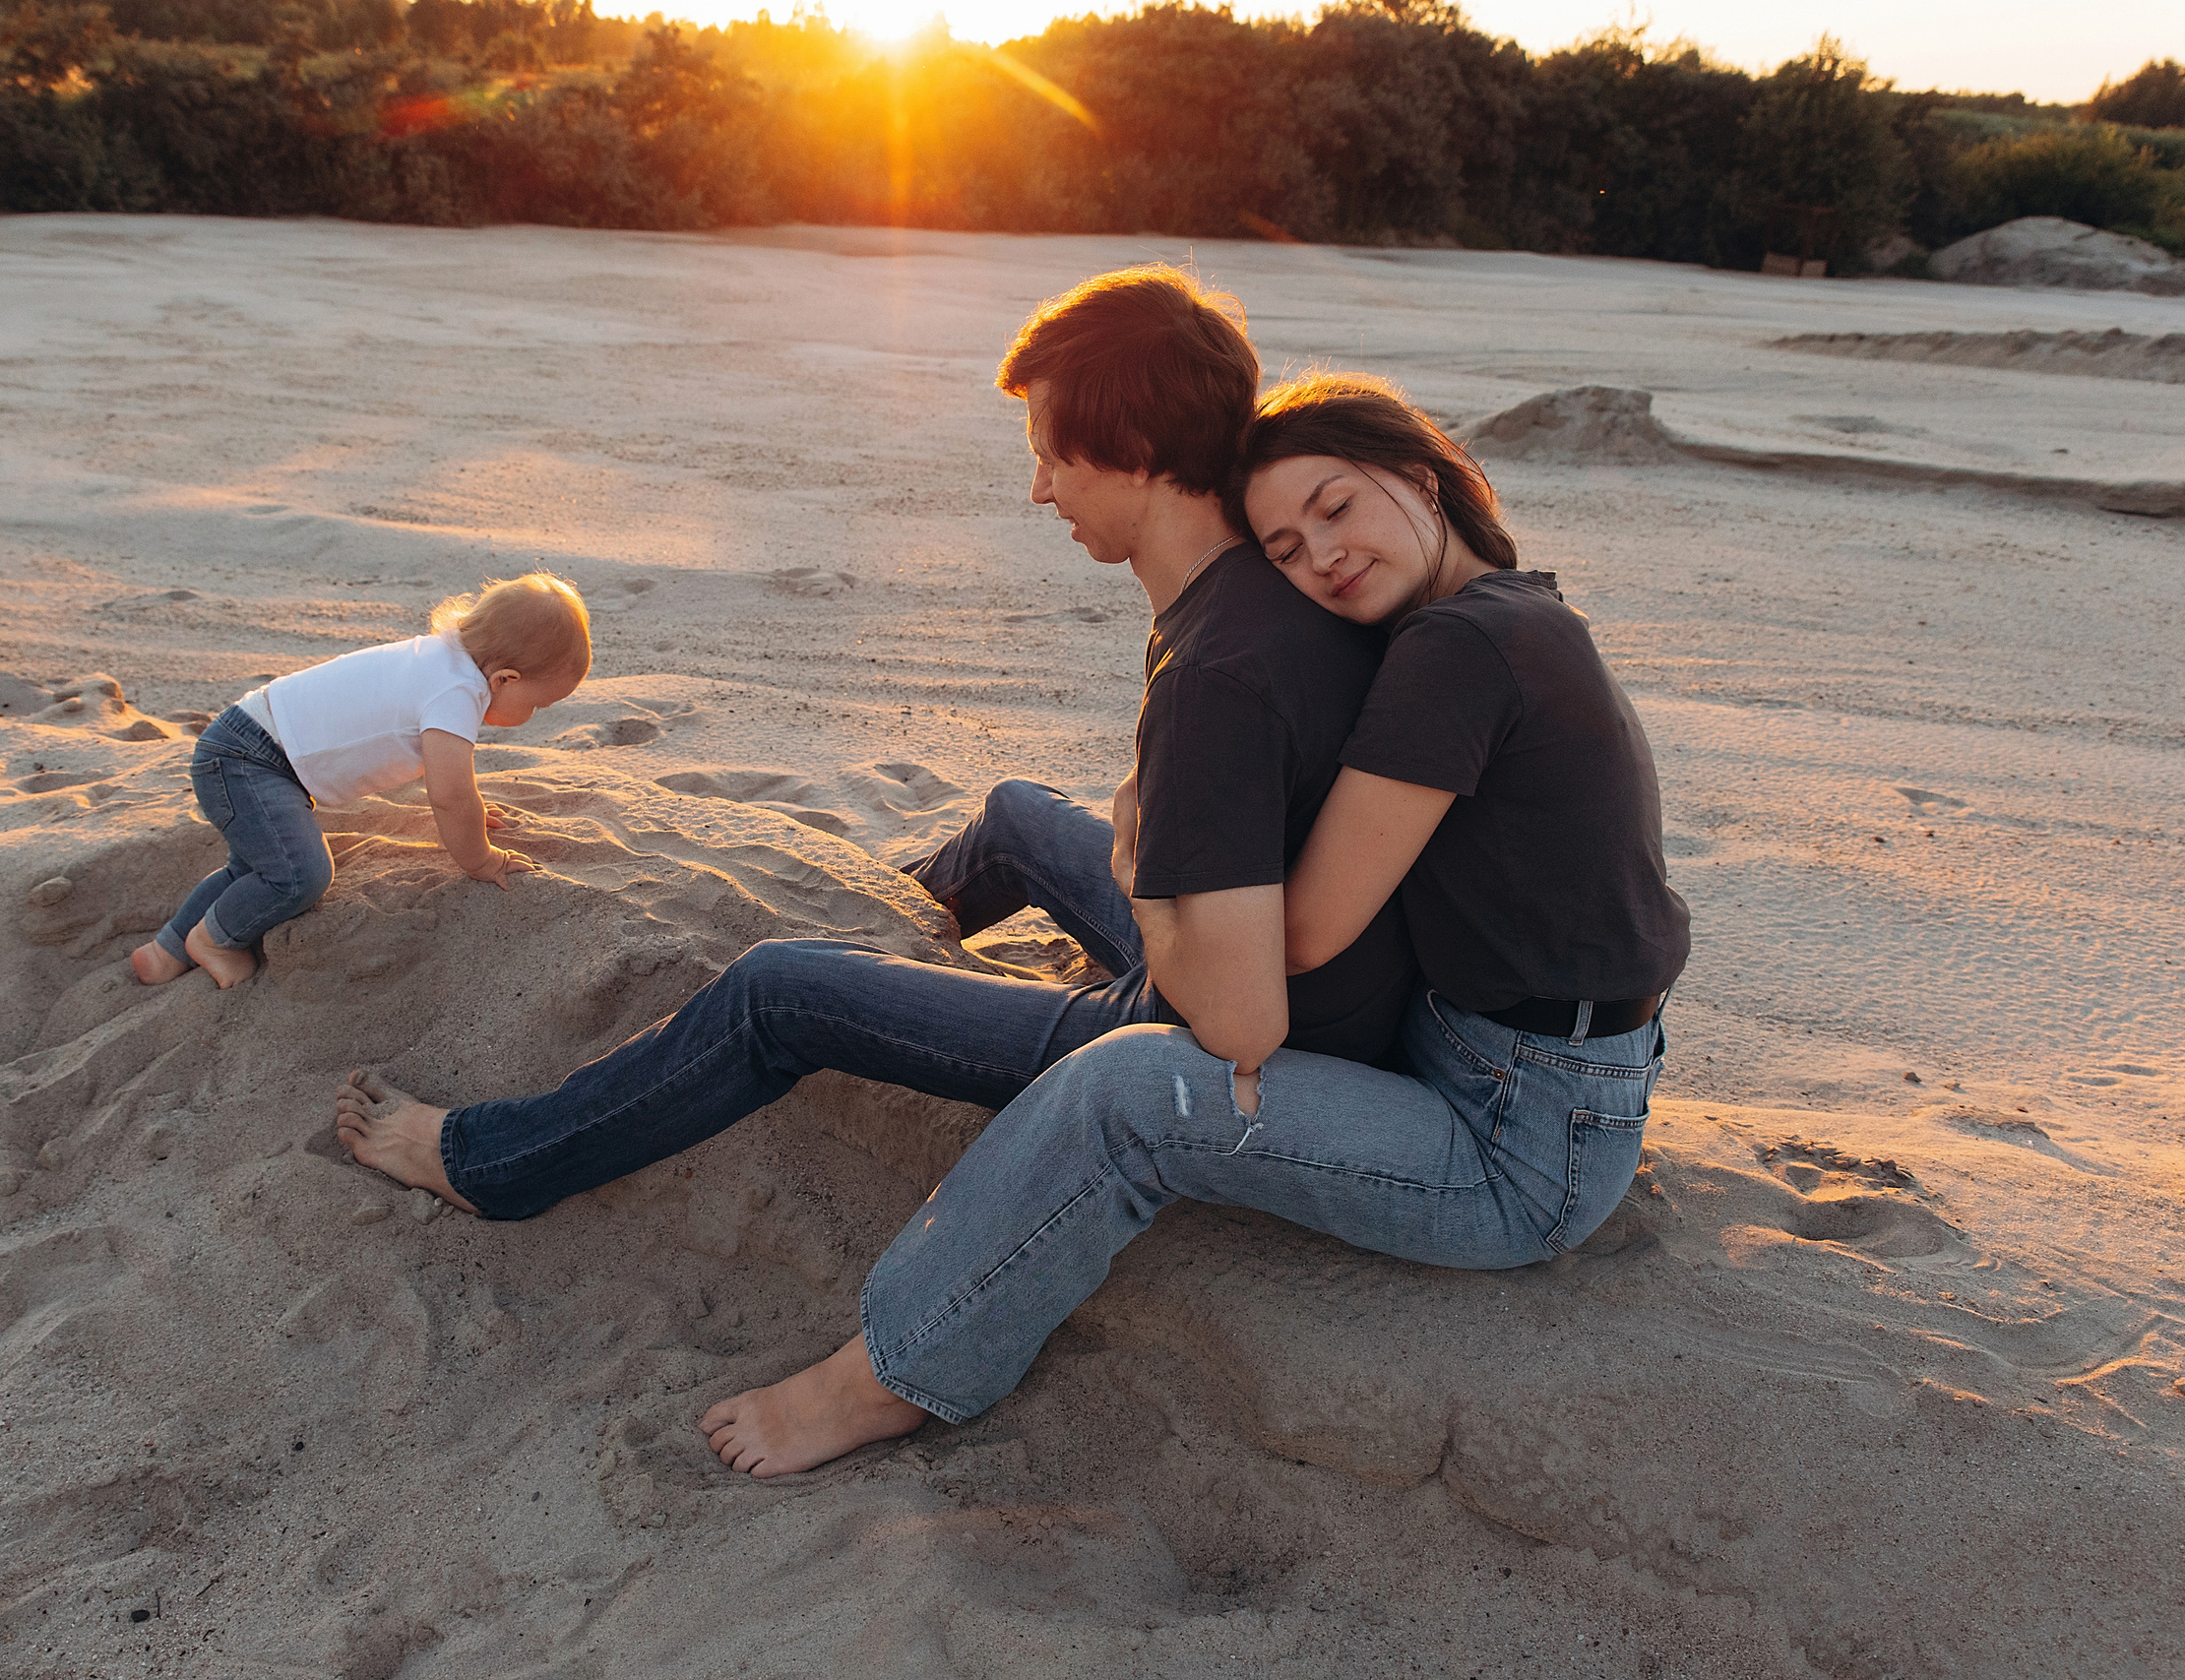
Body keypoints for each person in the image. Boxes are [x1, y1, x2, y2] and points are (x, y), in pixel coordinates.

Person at [329, 266, 1413, 1401]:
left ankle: (491, 1163)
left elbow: (1228, 1021)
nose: (1039, 491)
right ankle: (870, 938)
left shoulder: (1219, 671)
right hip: (1266, 950)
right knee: (1014, 820)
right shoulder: (1258, 590)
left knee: (776, 994)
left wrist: (1141, 865)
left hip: (1198, 1034)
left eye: (1051, 454)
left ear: (1135, 447)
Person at [695, 373, 1689, 1477]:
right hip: (1502, 1052)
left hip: (1516, 1146)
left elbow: (1301, 935)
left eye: (1335, 507)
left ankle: (889, 1376)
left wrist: (1141, 865)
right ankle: (900, 908)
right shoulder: (1513, 609)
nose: (1322, 556)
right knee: (1033, 822)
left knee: (1121, 1093)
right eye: (1283, 547)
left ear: (1418, 476)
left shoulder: (1457, 650)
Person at [131, 573, 591, 989]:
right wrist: (481, 860)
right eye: (538, 705)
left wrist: (471, 810)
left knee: (257, 866)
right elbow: (449, 795)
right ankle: (214, 940)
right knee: (300, 876)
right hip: (251, 759)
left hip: (247, 742)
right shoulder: (458, 692)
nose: (532, 717)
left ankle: (165, 951)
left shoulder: (441, 659)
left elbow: (449, 781)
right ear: (505, 678)